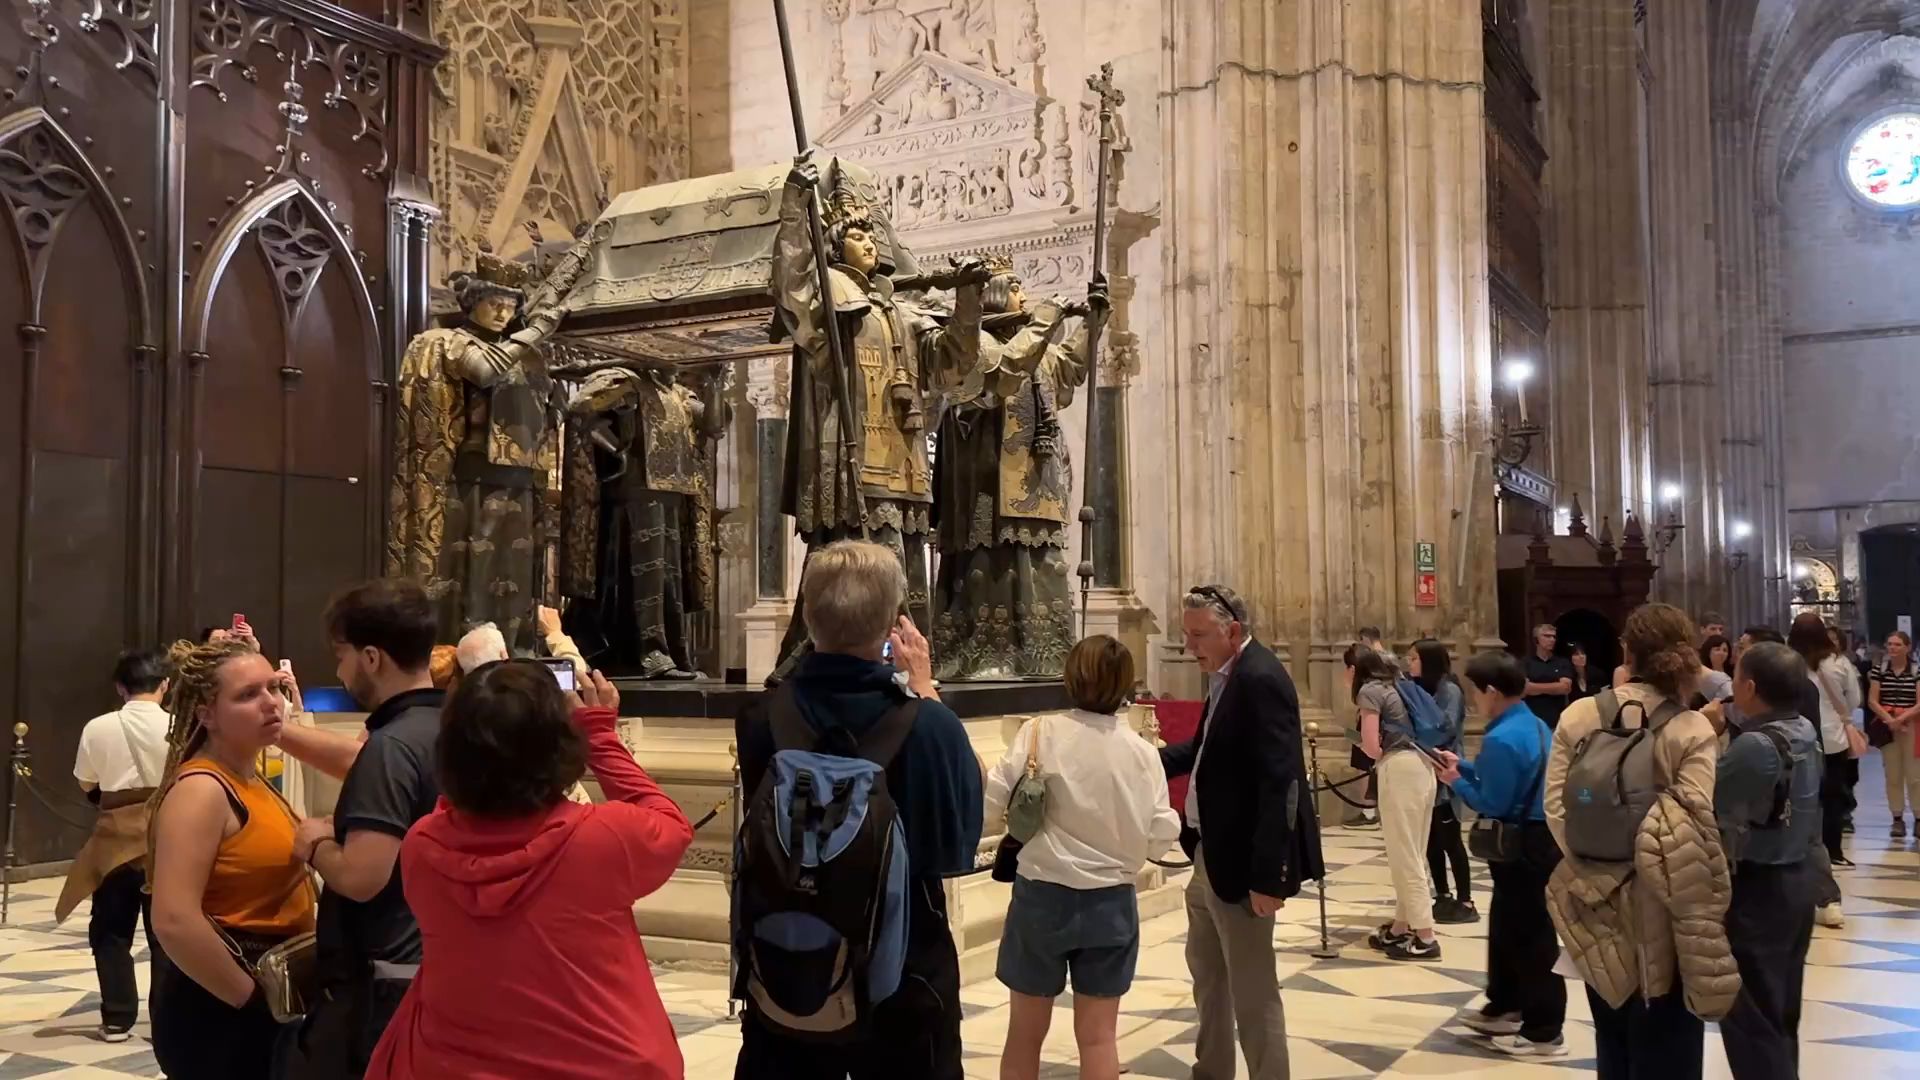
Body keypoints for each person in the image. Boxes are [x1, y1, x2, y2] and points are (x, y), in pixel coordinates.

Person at [363, 665, 692, 1079]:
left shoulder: (422, 848)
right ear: (561, 745)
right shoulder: (603, 839)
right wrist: (602, 735)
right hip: (603, 1064)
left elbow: (458, 808)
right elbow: (670, 822)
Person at [732, 540, 984, 1079]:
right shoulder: (930, 725)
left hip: (787, 965)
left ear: (806, 615)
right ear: (893, 624)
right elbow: (958, 839)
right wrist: (925, 688)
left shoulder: (760, 717)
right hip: (904, 975)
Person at [1544, 603, 1737, 1080]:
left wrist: (1595, 859)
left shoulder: (1578, 714)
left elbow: (1555, 809)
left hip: (1592, 895)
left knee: (1611, 1029)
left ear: (1626, 651)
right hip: (1663, 905)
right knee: (1668, 1036)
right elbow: (1695, 819)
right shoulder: (1691, 725)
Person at [987, 636, 1180, 1080]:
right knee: (1098, 1039)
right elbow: (1159, 836)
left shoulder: (1038, 732)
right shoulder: (1142, 752)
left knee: (1024, 1034)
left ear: (1071, 677)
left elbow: (994, 797)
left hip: (1042, 897)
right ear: (1125, 685)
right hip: (1110, 902)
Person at [271, 580, 442, 1079]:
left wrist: (316, 842)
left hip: (382, 978)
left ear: (371, 657)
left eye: (340, 655)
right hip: (437, 957)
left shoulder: (391, 747)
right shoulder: (458, 723)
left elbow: (363, 876)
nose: (339, 670)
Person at [1161, 584, 1322, 1079]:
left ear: (1232, 631)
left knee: (1253, 990)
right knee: (1208, 977)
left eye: (1198, 636)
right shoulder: (1224, 675)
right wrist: (1139, 759)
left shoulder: (1260, 678)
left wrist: (1269, 876)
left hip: (1243, 864)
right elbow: (1203, 748)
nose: (1190, 647)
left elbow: (1282, 783)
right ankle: (1211, 1072)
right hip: (1210, 853)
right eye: (1186, 635)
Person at [147, 637, 317, 1079]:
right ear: (206, 713)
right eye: (248, 695)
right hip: (224, 1002)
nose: (271, 704)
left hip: (269, 986)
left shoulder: (250, 777)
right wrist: (251, 1000)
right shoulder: (202, 789)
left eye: (273, 688)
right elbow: (173, 919)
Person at [1435, 651, 1563, 1057]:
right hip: (1539, 835)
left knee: (1530, 935)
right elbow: (1513, 776)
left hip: (1522, 841)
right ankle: (1505, 1003)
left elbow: (1492, 801)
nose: (1474, 698)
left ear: (1491, 690)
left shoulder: (1501, 737)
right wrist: (1467, 766)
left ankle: (1544, 1029)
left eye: (1476, 690)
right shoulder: (1535, 725)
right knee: (1508, 925)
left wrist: (1456, 780)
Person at [1716, 642, 1824, 1080]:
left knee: (1751, 1015)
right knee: (1781, 1009)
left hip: (1761, 887)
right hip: (1799, 877)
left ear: (1751, 686)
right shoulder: (1803, 729)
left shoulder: (1756, 745)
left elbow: (1710, 799)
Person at [57, 648, 173, 1042]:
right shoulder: (180, 724)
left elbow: (87, 783)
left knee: (109, 930)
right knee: (167, 933)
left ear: (120, 687)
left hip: (114, 842)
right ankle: (166, 1018)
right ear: (165, 685)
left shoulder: (97, 727)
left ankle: (118, 1018)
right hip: (167, 837)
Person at [1353, 648, 1440, 960]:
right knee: (1413, 851)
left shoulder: (1370, 691)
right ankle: (1401, 927)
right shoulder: (1399, 687)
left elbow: (1372, 747)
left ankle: (1426, 936)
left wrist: (1364, 744)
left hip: (1400, 769)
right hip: (1423, 765)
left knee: (1404, 854)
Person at [1409, 639, 1474, 924]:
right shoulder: (1423, 689)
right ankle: (1442, 895)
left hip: (1445, 771)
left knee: (1450, 839)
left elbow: (1444, 728)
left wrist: (1413, 734)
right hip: (1426, 769)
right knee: (1432, 839)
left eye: (1413, 658)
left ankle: (1466, 899)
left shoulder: (1449, 690)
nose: (1409, 663)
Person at [1867, 630, 1920, 841]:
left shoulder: (1916, 670)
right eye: (1889, 644)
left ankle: (1918, 817)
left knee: (1915, 775)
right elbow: (1872, 700)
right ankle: (1897, 818)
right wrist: (1890, 721)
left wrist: (1901, 719)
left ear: (1907, 648)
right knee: (1893, 774)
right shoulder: (1880, 670)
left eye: (1897, 644)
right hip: (1887, 726)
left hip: (1912, 726)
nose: (1892, 648)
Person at [1344, 627, 1386, 828]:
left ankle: (1369, 811)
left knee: (1366, 761)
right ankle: (1368, 810)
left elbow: (1373, 750)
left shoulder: (1369, 689)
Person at [1523, 624, 1574, 728]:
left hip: (1557, 721)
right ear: (1536, 639)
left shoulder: (1562, 662)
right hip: (1532, 720)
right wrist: (1555, 687)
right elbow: (1524, 689)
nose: (1552, 640)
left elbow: (1565, 688)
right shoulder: (1525, 663)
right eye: (1546, 636)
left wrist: (1534, 687)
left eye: (1553, 637)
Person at [1697, 634, 1734, 704]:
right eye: (1717, 649)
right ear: (1708, 651)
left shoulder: (1732, 673)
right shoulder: (1702, 672)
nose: (1721, 653)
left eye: (1725, 650)